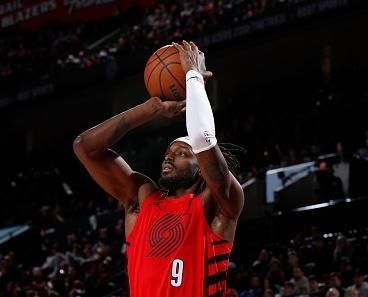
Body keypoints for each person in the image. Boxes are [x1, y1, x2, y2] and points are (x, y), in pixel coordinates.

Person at [73, 40, 245, 297]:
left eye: (181, 154)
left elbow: (203, 139)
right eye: (168, 153)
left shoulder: (217, 205)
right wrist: (152, 108)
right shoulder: (142, 200)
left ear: (202, 169)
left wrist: (193, 77)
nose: (169, 157)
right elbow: (84, 147)